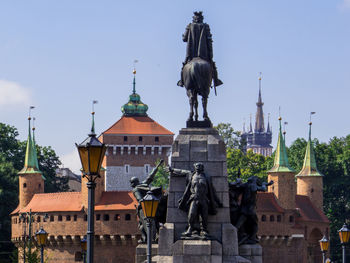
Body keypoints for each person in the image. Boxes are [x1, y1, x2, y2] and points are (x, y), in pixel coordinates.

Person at [166, 163, 222, 238]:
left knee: (204, 215)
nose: (198, 167)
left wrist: (218, 202)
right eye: (197, 166)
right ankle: (190, 228)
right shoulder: (191, 175)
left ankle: (204, 230)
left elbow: (212, 191)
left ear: (202, 168)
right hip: (194, 198)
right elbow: (182, 171)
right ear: (195, 167)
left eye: (199, 166)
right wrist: (172, 170)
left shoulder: (206, 177)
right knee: (191, 214)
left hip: (204, 199)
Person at [177, 11, 223, 88]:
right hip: (203, 54)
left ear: (194, 18)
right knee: (213, 66)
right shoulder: (206, 26)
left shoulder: (189, 26)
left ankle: (182, 81)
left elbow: (184, 39)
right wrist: (211, 54)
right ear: (202, 18)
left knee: (184, 66)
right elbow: (209, 41)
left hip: (191, 54)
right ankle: (216, 80)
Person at [130, 159, 164, 243]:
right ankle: (151, 238)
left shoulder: (135, 189)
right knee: (152, 223)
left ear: (132, 183)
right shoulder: (143, 184)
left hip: (144, 208)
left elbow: (140, 199)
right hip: (153, 205)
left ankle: (148, 239)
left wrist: (139, 206)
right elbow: (150, 177)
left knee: (144, 225)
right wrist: (158, 166)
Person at [234, 176, 273, 244]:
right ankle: (252, 237)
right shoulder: (253, 186)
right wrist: (264, 184)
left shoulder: (246, 185)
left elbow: (238, 186)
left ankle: (235, 234)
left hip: (243, 208)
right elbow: (262, 189)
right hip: (250, 209)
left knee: (240, 223)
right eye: (256, 180)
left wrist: (267, 184)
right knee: (254, 223)